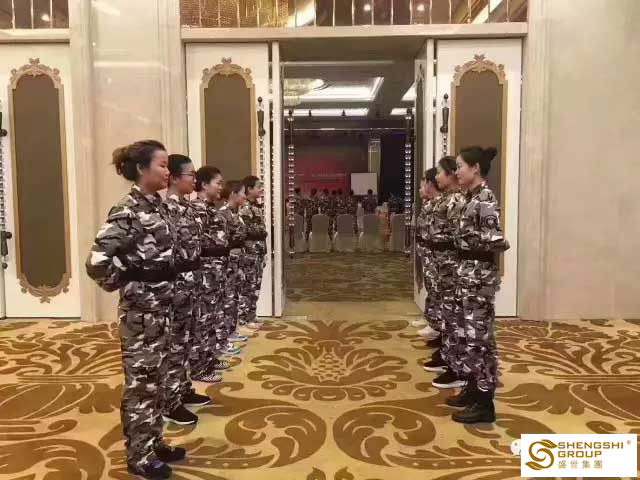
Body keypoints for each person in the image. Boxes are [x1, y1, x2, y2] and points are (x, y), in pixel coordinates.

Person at [86, 140, 184, 479]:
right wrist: (127, 283)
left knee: (158, 381)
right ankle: (139, 457)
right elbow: (96, 262)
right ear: (142, 169)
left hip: (163, 309)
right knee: (141, 386)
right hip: (141, 315)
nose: (167, 171)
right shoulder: (127, 210)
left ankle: (154, 442)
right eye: (162, 165)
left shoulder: (157, 205)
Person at [449, 146, 509, 424]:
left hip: (478, 279)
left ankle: (485, 403)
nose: (456, 172)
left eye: (460, 166)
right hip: (466, 276)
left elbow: (498, 240)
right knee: (468, 337)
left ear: (475, 168)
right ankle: (473, 389)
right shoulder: (469, 198)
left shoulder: (485, 199)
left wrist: (470, 239)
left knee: (480, 341)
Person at [163, 154, 212, 427]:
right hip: (177, 284)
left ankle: (183, 389)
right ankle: (169, 402)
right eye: (190, 175)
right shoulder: (167, 209)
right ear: (173, 178)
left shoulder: (186, 207)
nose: (194, 179)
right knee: (174, 344)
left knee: (186, 340)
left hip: (192, 282)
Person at [422, 156, 467, 391]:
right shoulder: (448, 200)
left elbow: (459, 238)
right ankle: (449, 356)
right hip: (442, 265)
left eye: (440, 172)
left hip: (451, 266)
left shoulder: (458, 201)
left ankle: (457, 366)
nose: (437, 177)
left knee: (454, 317)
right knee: (447, 314)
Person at [191, 166, 232, 384]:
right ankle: (199, 367)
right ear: (205, 185)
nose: (220, 187)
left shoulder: (210, 208)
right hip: (205, 273)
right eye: (218, 183)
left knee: (213, 317)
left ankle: (209, 358)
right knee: (202, 320)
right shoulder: (197, 209)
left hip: (215, 272)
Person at [218, 180, 249, 340]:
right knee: (228, 298)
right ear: (233, 194)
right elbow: (223, 241)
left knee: (235, 296)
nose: (245, 196)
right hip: (229, 262)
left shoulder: (236, 212)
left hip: (238, 261)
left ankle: (232, 330)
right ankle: (225, 335)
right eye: (242, 192)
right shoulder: (223, 213)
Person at [238, 175, 267, 330]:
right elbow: (247, 232)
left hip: (258, 252)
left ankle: (252, 315)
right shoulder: (245, 208)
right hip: (250, 254)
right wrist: (261, 232)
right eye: (258, 186)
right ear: (249, 189)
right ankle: (244, 319)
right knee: (248, 287)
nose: (261, 189)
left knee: (255, 286)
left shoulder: (256, 207)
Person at [414, 168, 441, 333]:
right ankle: (430, 318)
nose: (420, 189)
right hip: (427, 252)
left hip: (437, 255)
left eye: (423, 185)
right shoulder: (429, 204)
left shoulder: (439, 205)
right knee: (431, 287)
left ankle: (435, 323)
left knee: (435, 288)